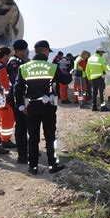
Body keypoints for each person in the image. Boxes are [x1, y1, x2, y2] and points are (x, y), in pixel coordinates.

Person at [14, 40, 72, 174]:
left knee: (33, 137)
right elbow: (65, 80)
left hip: (31, 106)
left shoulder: (24, 67)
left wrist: (21, 106)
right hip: (48, 107)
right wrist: (71, 73)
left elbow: (18, 88)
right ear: (45, 51)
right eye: (48, 51)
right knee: (50, 136)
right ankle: (52, 165)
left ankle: (33, 166)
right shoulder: (51, 67)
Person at [7, 39, 29, 164]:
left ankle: (26, 151)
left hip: (22, 97)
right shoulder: (14, 62)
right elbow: (17, 80)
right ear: (21, 50)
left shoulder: (21, 61)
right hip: (17, 99)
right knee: (21, 127)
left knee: (25, 125)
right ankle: (22, 156)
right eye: (25, 50)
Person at [0, 45, 16, 148]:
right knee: (8, 120)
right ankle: (6, 141)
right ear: (5, 55)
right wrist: (10, 99)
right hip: (3, 100)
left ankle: (1, 138)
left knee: (2, 120)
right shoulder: (1, 68)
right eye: (8, 56)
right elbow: (6, 87)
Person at [85, 47, 110, 111]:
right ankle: (103, 107)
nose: (103, 54)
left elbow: (87, 70)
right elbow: (107, 69)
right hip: (100, 78)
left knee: (94, 93)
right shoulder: (101, 59)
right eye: (102, 52)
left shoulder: (90, 59)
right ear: (99, 52)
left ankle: (94, 107)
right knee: (102, 93)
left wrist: (89, 78)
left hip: (93, 79)